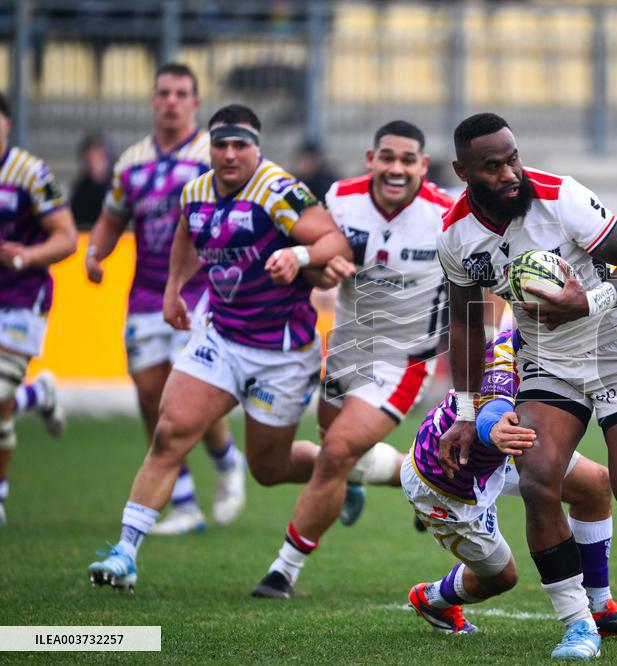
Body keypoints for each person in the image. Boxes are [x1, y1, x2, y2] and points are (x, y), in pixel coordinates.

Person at [435, 113, 617, 660]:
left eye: (512, 158)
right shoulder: (456, 236)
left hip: (613, 350)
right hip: (546, 363)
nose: (509, 173)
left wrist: (583, 302)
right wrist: (469, 412)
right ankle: (578, 622)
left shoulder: (560, 196)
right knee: (539, 477)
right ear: (463, 171)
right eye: (492, 166)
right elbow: (468, 323)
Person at [87, 103, 354, 592]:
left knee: (269, 469)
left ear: (258, 147)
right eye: (221, 145)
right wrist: (173, 288)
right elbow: (187, 236)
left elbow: (335, 242)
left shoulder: (279, 192)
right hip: (221, 337)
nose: (230, 154)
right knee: (171, 432)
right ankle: (125, 551)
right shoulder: (195, 189)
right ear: (209, 147)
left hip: (283, 352)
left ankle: (335, 471)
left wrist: (298, 256)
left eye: (241, 145)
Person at [251, 120, 454, 598]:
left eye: (408, 160)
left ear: (423, 166)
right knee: (330, 454)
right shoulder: (340, 198)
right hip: (346, 350)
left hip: (404, 359)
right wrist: (324, 269)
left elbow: (480, 283)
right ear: (371, 159)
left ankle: (284, 570)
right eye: (388, 157)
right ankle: (420, 478)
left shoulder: (446, 214)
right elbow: (319, 275)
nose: (396, 168)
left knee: (337, 454)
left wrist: (485, 356)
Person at [406, 327, 617, 639]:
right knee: (501, 577)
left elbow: (598, 374)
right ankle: (433, 599)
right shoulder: (504, 348)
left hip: (506, 452)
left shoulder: (562, 337)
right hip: (448, 477)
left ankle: (600, 608)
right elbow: (493, 408)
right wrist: (492, 429)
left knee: (594, 485)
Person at [85, 63, 245, 535]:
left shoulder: (214, 154)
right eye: (164, 93)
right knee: (151, 397)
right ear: (153, 100)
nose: (172, 101)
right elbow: (112, 217)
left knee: (191, 393)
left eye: (181, 93)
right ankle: (185, 503)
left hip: (203, 294)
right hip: (144, 296)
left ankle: (225, 458)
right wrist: (96, 253)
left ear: (195, 102)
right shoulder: (130, 162)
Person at [0, 92, 78, 526]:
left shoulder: (31, 173)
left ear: (8, 123)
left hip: (20, 296)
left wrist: (27, 256)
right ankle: (40, 394)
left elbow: (66, 236)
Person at [69, 134, 112, 232]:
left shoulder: (118, 185)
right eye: (91, 159)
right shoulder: (80, 189)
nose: (95, 163)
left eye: (99, 157)